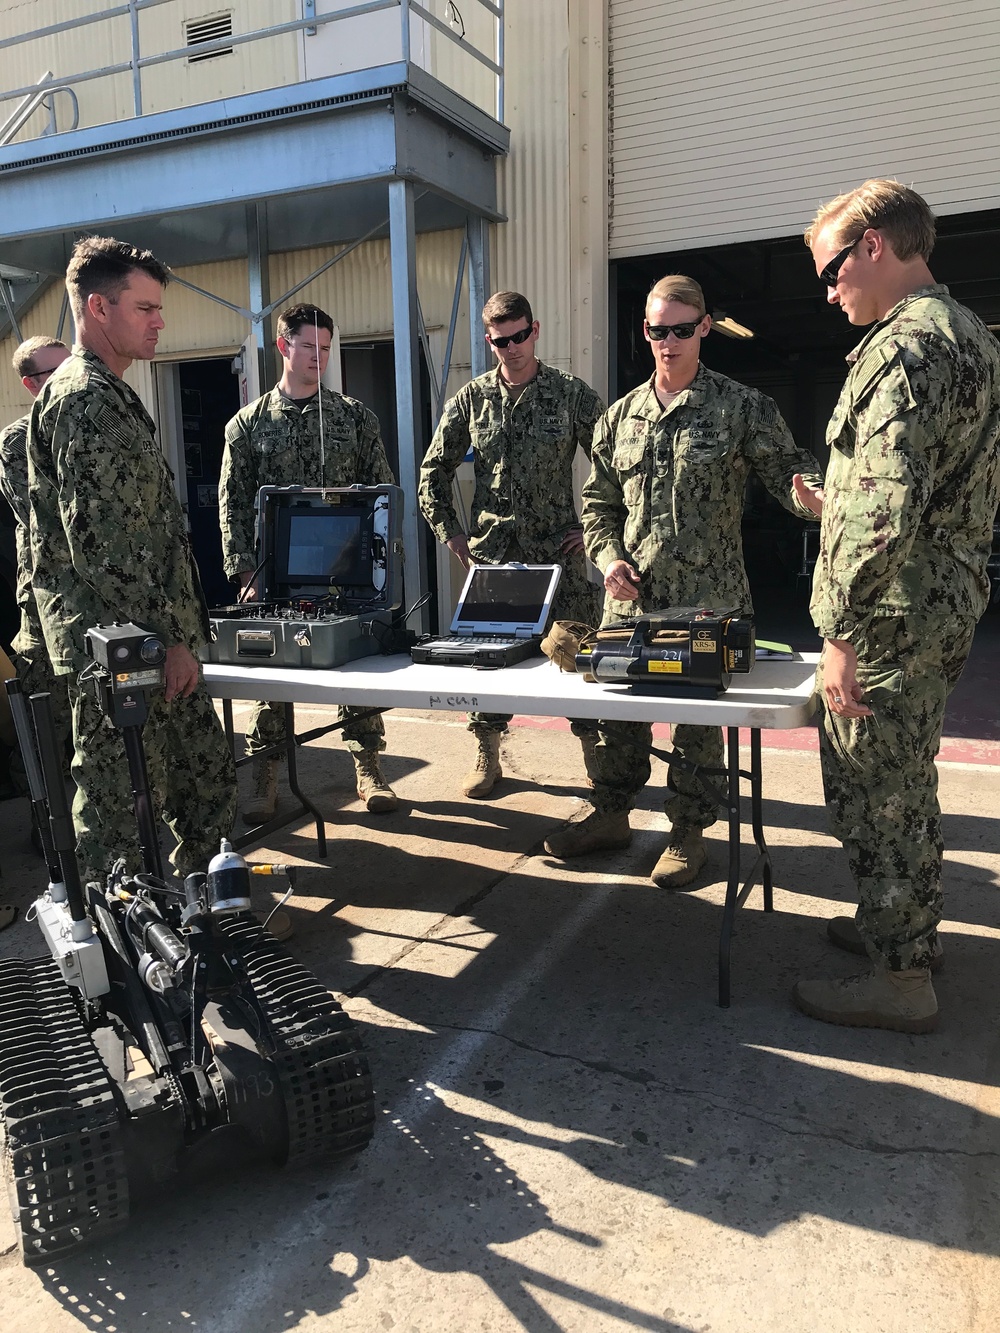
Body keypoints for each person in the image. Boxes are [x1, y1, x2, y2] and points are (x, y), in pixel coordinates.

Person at [792, 179, 1000, 1033]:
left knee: (874, 786)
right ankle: (905, 934)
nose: (830, 287)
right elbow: (928, 486)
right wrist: (830, 500)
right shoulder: (969, 335)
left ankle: (901, 979)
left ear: (874, 245)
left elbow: (884, 515)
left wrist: (839, 629)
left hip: (891, 614)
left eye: (834, 269)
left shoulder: (904, 350)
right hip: (936, 597)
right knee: (908, 777)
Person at [544, 275, 824, 887]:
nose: (666, 342)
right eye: (655, 330)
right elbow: (598, 504)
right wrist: (607, 555)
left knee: (699, 728)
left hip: (708, 600)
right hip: (631, 601)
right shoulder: (619, 417)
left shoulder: (741, 406)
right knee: (616, 715)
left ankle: (687, 834)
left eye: (679, 329)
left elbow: (788, 471)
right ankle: (611, 813)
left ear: (703, 328)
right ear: (644, 331)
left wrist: (812, 498)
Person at [27, 236, 237, 886]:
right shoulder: (85, 400)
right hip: (119, 649)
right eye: (145, 306)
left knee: (200, 780)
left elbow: (145, 533)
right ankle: (121, 963)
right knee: (118, 811)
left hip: (145, 642)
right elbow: (105, 552)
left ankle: (207, 915)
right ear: (98, 307)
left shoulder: (112, 394)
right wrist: (169, 642)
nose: (159, 319)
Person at [418, 290, 606, 798]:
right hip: (496, 558)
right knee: (489, 665)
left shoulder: (570, 395)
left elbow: (616, 465)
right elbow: (433, 470)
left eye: (520, 336)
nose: (513, 348)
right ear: (489, 340)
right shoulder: (471, 399)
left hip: (558, 555)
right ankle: (487, 752)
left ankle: (596, 755)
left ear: (535, 330)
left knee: (574, 658)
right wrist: (453, 534)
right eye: (502, 341)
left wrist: (595, 529)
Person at [219, 303, 399, 820]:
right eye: (308, 348)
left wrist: (384, 572)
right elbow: (232, 504)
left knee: (356, 672)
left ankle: (368, 767)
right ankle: (264, 776)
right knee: (270, 677)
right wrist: (246, 573)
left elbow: (381, 495)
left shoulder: (353, 418)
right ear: (283, 346)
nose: (319, 358)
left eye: (326, 349)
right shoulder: (247, 427)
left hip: (348, 570)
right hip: (276, 573)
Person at [0, 337, 72, 765]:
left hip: (101, 597)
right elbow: (47, 516)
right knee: (45, 717)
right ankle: (43, 825)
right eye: (57, 373)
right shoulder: (16, 442)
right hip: (47, 600)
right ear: (32, 384)